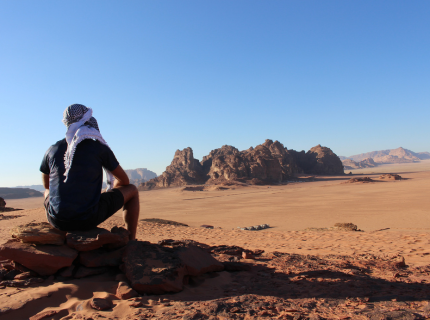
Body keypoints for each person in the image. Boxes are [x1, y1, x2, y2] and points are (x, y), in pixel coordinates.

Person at [40, 104, 139, 240]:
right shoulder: (98, 148)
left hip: (56, 221)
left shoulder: (52, 149)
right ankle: (132, 240)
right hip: (88, 219)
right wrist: (109, 193)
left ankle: (62, 232)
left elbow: (47, 186)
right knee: (132, 189)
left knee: (47, 192)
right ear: (87, 120)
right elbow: (124, 181)